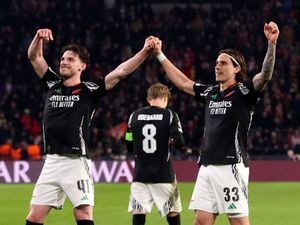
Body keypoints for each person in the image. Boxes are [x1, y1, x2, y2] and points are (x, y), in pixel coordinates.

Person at [152, 22, 280, 225]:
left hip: (231, 166)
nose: (217, 66)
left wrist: (271, 44)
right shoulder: (211, 92)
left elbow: (265, 75)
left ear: (236, 68)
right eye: (216, 63)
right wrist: (160, 54)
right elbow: (183, 82)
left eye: (223, 63)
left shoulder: (245, 91)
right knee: (201, 221)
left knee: (238, 223)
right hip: (207, 166)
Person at [25, 28, 155, 225]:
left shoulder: (89, 90)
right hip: (51, 161)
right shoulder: (53, 84)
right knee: (34, 217)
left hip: (76, 162)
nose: (64, 62)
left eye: (70, 59)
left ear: (82, 66)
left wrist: (145, 51)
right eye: (62, 58)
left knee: (83, 216)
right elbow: (34, 56)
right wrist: (38, 37)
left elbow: (121, 71)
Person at [125, 83, 185, 225]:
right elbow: (180, 142)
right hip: (163, 174)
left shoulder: (134, 116)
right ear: (165, 98)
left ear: (148, 98)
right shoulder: (170, 115)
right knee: (172, 212)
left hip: (140, 175)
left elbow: (128, 144)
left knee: (138, 212)